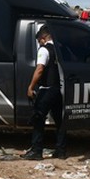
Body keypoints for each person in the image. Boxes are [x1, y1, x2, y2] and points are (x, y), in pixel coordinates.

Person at [22, 25, 67, 160]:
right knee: (59, 121)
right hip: (57, 89)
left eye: (39, 42)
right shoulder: (59, 49)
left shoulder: (44, 50)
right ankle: (61, 150)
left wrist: (31, 87)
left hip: (46, 90)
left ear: (43, 39)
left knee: (38, 119)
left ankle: (36, 151)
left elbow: (40, 69)